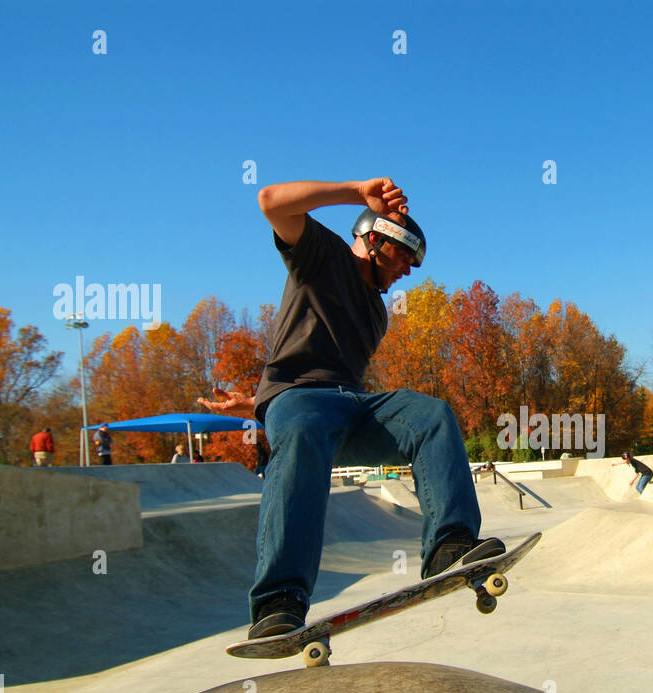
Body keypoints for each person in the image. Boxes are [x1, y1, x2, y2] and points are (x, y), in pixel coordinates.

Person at [198, 176, 503, 640]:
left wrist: (254, 405)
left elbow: (341, 376)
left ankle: (449, 544)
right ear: (376, 241)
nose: (409, 271)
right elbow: (270, 201)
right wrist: (356, 191)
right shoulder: (322, 255)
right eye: (405, 257)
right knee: (302, 428)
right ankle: (279, 600)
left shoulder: (378, 314)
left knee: (430, 415)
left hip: (351, 408)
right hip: (298, 398)